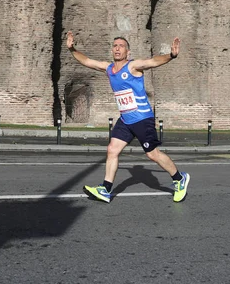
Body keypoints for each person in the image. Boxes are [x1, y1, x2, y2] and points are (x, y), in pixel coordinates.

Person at [66, 31, 190, 203]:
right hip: (125, 119)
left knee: (152, 154)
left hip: (142, 118)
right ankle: (106, 190)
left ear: (127, 52)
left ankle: (179, 179)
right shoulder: (108, 68)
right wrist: (72, 49)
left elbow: (152, 62)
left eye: (121, 46)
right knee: (112, 150)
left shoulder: (133, 66)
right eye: (115, 46)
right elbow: (87, 61)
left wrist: (171, 56)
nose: (117, 49)